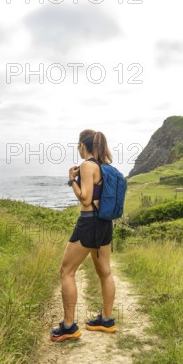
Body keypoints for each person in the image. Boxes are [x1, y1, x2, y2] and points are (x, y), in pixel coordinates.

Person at [50, 130, 117, 343]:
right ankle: (106, 320)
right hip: (105, 223)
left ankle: (68, 326)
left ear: (82, 145)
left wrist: (72, 181)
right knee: (105, 273)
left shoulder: (88, 165)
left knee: (66, 271)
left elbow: (86, 199)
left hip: (89, 222)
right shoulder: (105, 167)